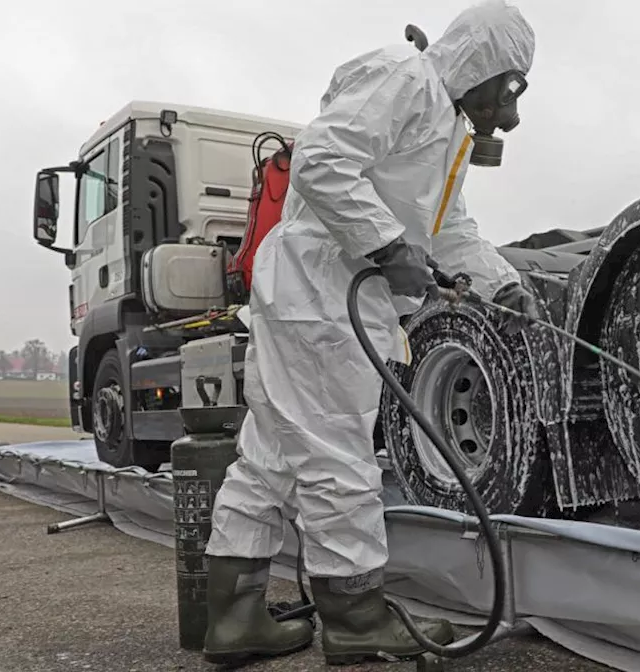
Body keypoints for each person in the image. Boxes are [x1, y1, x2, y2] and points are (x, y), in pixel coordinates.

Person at [199, 0, 540, 666]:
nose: (510, 107)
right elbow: (322, 160)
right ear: (486, 65)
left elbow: (447, 230)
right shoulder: (406, 79)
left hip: (314, 295)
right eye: (509, 87)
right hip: (322, 292)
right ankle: (355, 616)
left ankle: (233, 619)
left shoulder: (448, 130)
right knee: (339, 453)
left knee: (269, 457)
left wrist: (501, 285)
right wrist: (387, 247)